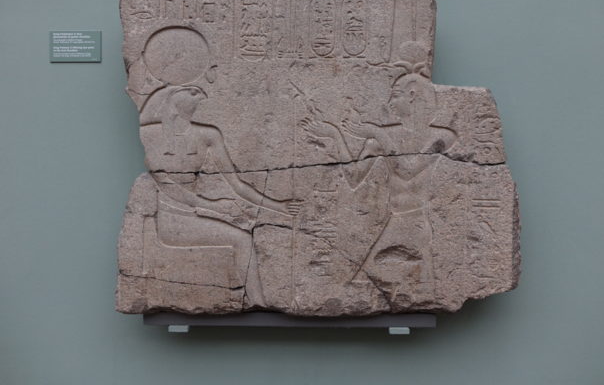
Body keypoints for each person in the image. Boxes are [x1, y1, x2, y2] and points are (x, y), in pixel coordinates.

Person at [301, 42, 456, 306]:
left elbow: (408, 170)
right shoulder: (383, 137)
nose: (390, 102)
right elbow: (353, 176)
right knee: (381, 287)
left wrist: (376, 132)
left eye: (396, 95)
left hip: (415, 224)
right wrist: (335, 135)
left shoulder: (441, 137)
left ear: (412, 96)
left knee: (371, 286)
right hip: (396, 222)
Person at [140, 85, 302, 307]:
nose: (199, 98)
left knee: (245, 230)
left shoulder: (208, 135)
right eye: (192, 93)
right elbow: (168, 187)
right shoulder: (150, 134)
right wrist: (214, 206)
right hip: (172, 221)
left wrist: (278, 206)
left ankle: (258, 303)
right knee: (242, 239)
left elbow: (237, 185)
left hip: (196, 213)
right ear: (172, 100)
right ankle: (259, 304)